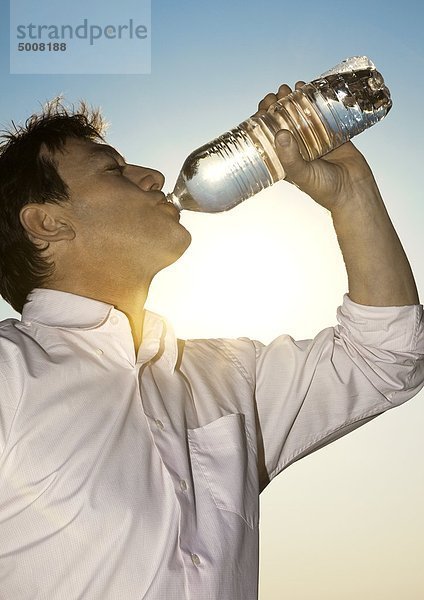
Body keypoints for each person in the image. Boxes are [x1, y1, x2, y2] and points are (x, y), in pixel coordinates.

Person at [0, 85, 422, 600]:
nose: (153, 176)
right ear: (48, 222)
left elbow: (386, 357)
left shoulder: (226, 376)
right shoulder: (10, 369)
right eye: (111, 169)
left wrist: (351, 191)